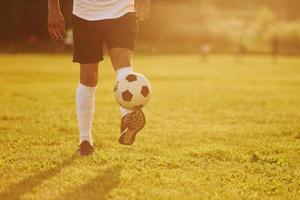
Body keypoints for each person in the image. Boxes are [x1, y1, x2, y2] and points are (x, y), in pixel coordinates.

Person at [47, 0, 151, 156]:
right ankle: (85, 140)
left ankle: (127, 116)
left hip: (122, 8)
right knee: (89, 75)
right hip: (86, 13)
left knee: (123, 62)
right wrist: (53, 8)